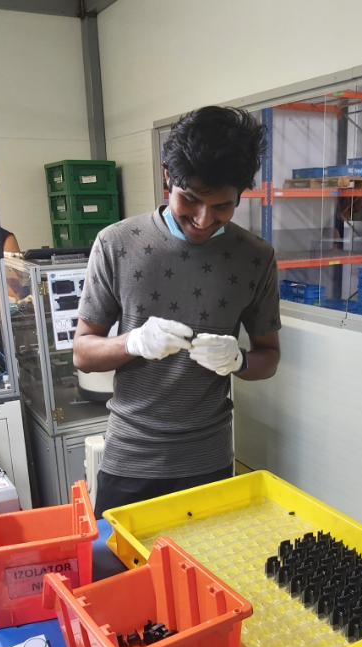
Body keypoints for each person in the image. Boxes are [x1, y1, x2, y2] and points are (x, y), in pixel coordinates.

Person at [73, 106, 281, 517]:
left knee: (204, 579)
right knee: (120, 576)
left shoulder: (255, 257)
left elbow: (268, 357)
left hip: (209, 461)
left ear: (241, 193)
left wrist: (238, 360)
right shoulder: (117, 243)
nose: (203, 220)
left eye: (222, 206)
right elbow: (83, 353)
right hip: (131, 460)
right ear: (168, 174)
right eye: (190, 199)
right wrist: (132, 341)